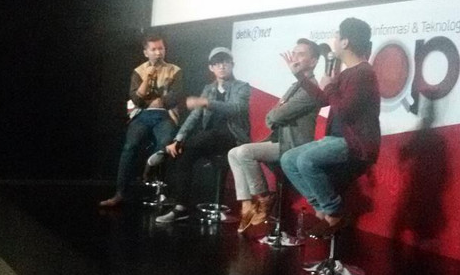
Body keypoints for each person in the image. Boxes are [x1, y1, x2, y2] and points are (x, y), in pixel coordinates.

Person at [280, 18, 381, 236]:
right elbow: (323, 100)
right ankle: (323, 208)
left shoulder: (363, 73)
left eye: (336, 36)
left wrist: (330, 86)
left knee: (306, 161)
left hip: (355, 144)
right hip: (336, 139)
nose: (334, 40)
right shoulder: (347, 73)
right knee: (288, 159)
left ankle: (335, 212)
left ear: (345, 42)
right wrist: (300, 76)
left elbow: (344, 111)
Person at [228, 38, 322, 233]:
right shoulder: (295, 86)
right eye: (294, 53)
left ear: (313, 61)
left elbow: (275, 115)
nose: (295, 57)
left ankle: (264, 198)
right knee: (233, 153)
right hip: (280, 141)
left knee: (244, 152)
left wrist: (274, 115)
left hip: (293, 146)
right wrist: (274, 115)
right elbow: (275, 114)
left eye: (301, 54)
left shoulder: (310, 90)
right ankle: (246, 204)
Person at [150, 47, 251, 223]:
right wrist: (178, 139)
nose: (221, 66)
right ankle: (181, 207)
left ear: (232, 65)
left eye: (225, 62)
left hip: (233, 137)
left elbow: (236, 108)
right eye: (217, 63)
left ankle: (163, 152)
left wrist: (206, 102)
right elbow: (195, 116)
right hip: (208, 140)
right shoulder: (209, 88)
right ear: (211, 68)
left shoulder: (242, 87)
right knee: (182, 154)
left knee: (208, 135)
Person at [100, 35, 183, 207]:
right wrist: (148, 77)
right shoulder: (139, 71)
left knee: (165, 143)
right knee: (129, 147)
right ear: (146, 52)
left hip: (165, 114)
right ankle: (120, 193)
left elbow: (175, 96)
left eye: (161, 48)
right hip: (143, 114)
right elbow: (137, 100)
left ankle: (160, 189)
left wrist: (158, 101)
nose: (158, 52)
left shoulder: (175, 70)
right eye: (154, 49)